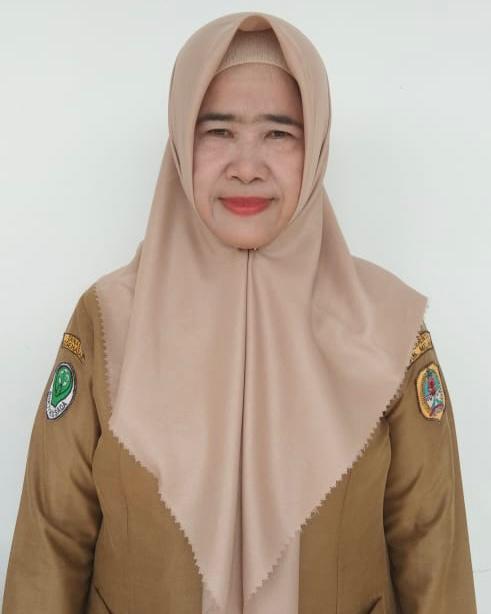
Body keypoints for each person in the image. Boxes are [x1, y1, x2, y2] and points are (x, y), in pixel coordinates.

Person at [2, 11, 477, 614]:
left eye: (279, 133)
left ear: (316, 145)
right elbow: (52, 540)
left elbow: (432, 550)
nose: (246, 165)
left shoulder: (385, 328)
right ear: (181, 141)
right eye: (218, 131)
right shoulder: (109, 321)